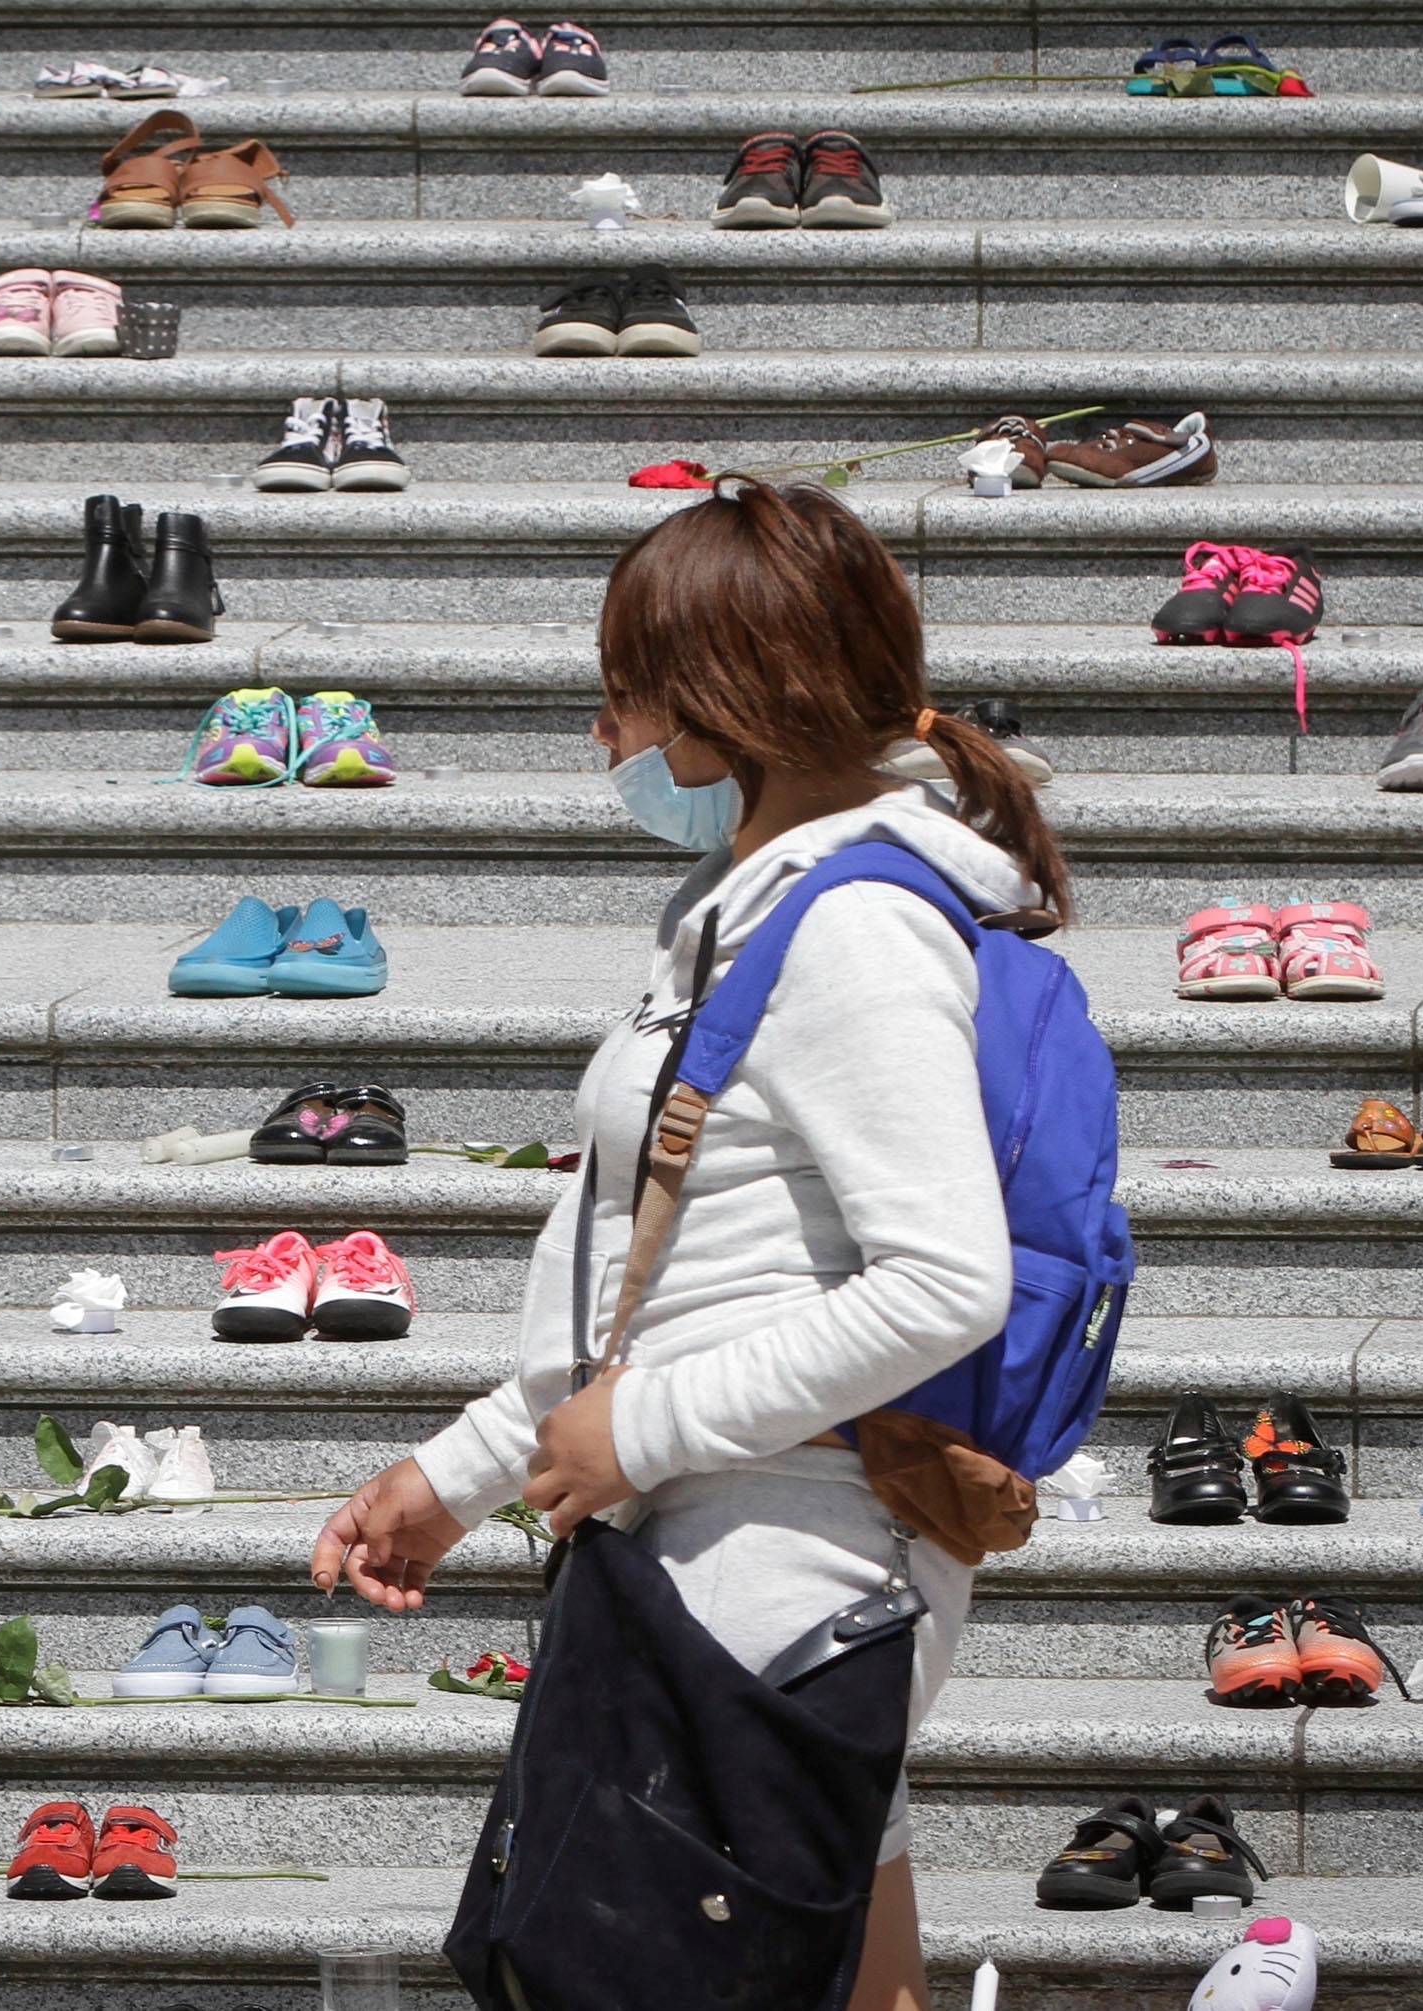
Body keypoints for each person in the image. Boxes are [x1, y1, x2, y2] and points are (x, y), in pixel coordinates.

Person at [309, 477, 1073, 2011]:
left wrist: (638, 1428)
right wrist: (461, 1473)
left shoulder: (855, 926)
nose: (605, 737)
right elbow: (661, 1273)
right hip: (741, 1559)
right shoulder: (755, 907)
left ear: (727, 704)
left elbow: (943, 1276)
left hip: (776, 1568)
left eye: (625, 695)